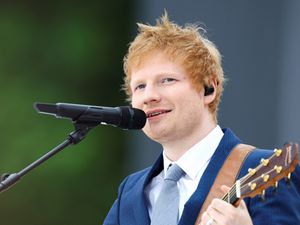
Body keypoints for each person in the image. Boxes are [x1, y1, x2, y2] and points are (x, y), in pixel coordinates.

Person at [103, 13, 300, 225]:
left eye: (167, 80)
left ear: (208, 89)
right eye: (140, 86)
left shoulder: (268, 170)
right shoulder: (130, 192)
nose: (149, 96)